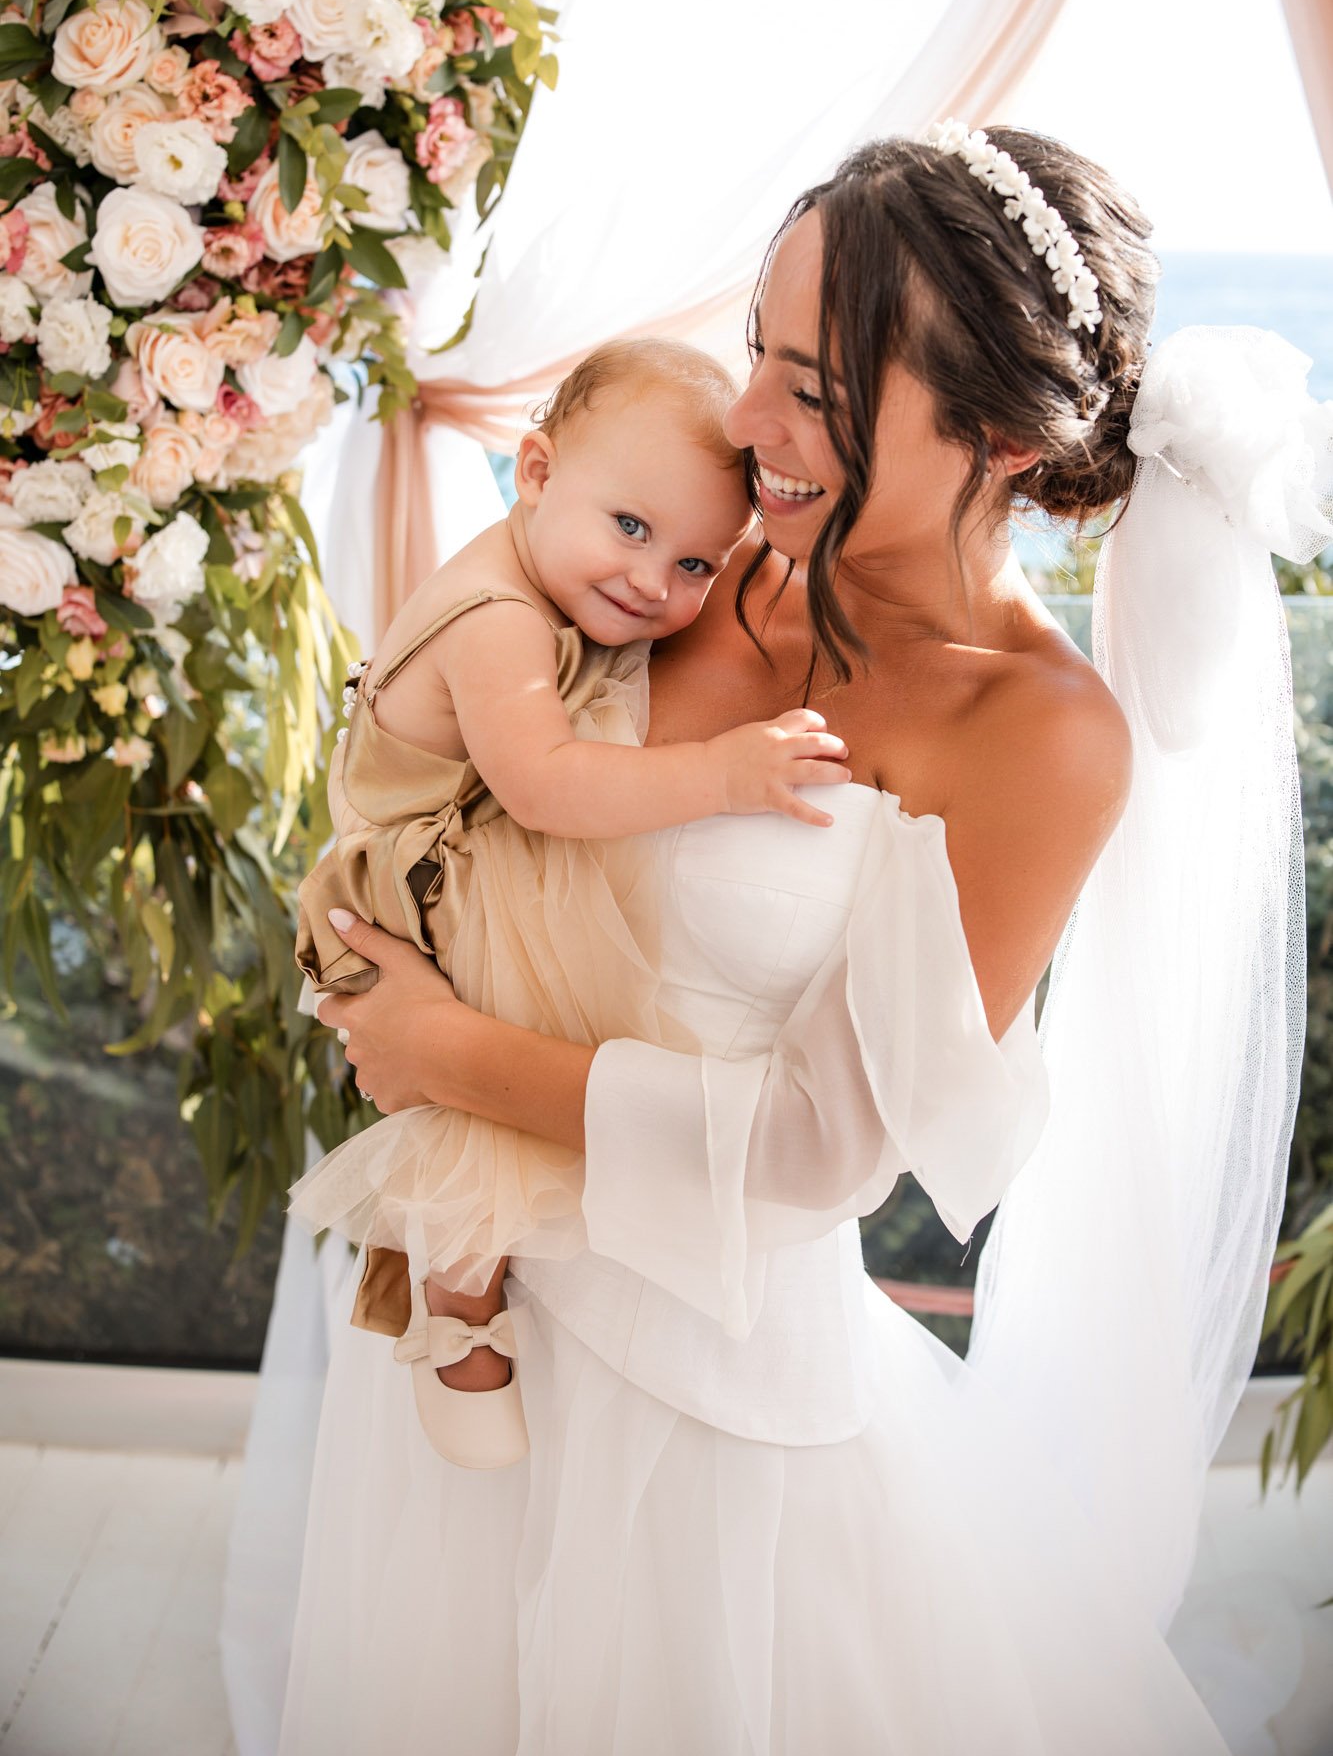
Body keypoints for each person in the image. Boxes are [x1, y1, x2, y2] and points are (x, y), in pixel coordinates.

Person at [276, 123, 1315, 1752]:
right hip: (476, 1303)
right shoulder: (701, 552)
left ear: (995, 433)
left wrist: (446, 1052)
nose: (746, 423)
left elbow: (828, 1147)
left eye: (813, 394)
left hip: (705, 1404)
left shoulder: (1035, 738)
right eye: (754, 353)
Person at [287, 337, 849, 1469]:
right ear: (533, 470)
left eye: (697, 564)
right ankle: (455, 1318)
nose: (653, 581)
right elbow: (544, 784)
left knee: (515, 1085)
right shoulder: (494, 616)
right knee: (484, 1101)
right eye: (631, 529)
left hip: (469, 862)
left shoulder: (553, 575)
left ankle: (463, 1289)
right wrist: (726, 773)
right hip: (430, 891)